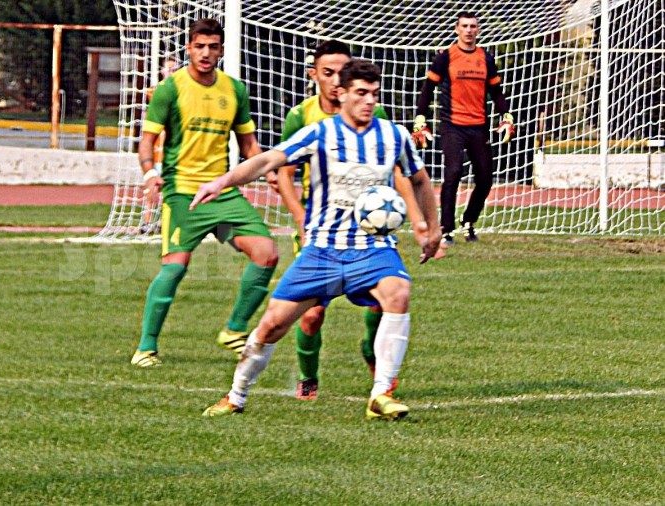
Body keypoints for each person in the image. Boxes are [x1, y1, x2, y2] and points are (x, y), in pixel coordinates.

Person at [194, 59, 441, 420]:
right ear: (341, 94)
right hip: (322, 250)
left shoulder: (394, 136)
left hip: (371, 250)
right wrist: (221, 181)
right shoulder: (319, 133)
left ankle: (381, 394)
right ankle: (236, 396)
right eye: (361, 93)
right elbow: (268, 161)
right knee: (272, 325)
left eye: (374, 94)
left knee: (398, 292)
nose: (369, 101)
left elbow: (419, 179)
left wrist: (432, 228)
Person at [274, 40, 436, 401]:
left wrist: (417, 220)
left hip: (368, 231)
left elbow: (401, 174)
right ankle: (308, 376)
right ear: (315, 75)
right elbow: (283, 172)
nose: (335, 80)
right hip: (320, 228)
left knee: (385, 300)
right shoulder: (302, 116)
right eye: (327, 72)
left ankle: (372, 354)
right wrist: (300, 219)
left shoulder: (376, 118)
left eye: (340, 72)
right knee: (311, 314)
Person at [131, 18, 279, 367]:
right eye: (199, 46)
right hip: (183, 195)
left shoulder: (234, 90)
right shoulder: (170, 89)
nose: (206, 53)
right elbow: (147, 141)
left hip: (222, 194)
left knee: (267, 253)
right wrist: (150, 174)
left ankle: (234, 329)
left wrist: (268, 170)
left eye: (213, 47)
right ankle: (146, 348)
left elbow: (248, 144)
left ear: (221, 50)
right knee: (174, 268)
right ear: (189, 48)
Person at [412, 11, 514, 246]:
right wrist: (420, 118)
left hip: (479, 126)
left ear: (478, 30)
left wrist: (506, 115)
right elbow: (428, 88)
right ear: (457, 29)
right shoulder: (446, 57)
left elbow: (496, 92)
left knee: (485, 178)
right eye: (465, 26)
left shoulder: (486, 58)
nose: (469, 30)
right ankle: (446, 229)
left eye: (473, 26)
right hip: (452, 126)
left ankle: (468, 220)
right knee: (453, 173)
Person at [141, 55, 181, 234]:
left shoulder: (182, 92)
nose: (171, 72)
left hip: (172, 149)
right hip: (157, 149)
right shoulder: (155, 91)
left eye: (175, 69)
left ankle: (164, 222)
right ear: (162, 71)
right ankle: (146, 221)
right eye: (169, 69)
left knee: (170, 188)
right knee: (152, 186)